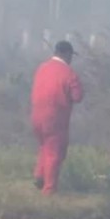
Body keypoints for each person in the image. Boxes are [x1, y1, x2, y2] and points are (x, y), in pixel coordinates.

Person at [31, 41, 84, 195]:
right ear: (67, 54)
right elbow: (77, 96)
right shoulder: (69, 73)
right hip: (55, 118)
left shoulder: (41, 68)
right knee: (55, 152)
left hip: (36, 116)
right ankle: (49, 190)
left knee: (44, 146)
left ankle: (39, 176)